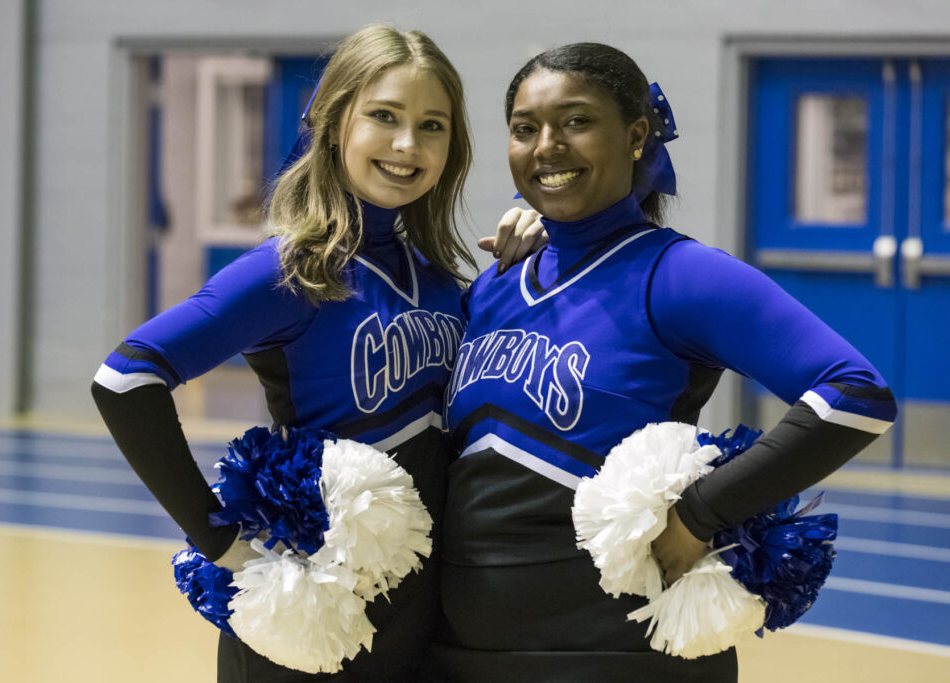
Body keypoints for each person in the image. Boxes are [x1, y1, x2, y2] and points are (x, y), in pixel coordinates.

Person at [433, 42, 897, 682]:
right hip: (461, 653)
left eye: (576, 121)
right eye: (524, 128)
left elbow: (855, 393)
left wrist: (701, 515)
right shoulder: (492, 288)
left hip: (615, 654)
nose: (547, 146)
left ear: (636, 135)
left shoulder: (679, 274)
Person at [93, 25, 485, 682]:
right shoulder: (292, 268)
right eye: (384, 116)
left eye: (432, 125)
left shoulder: (446, 281)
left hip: (417, 615)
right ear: (336, 127)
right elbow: (126, 378)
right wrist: (219, 539)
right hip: (311, 619)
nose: (407, 144)